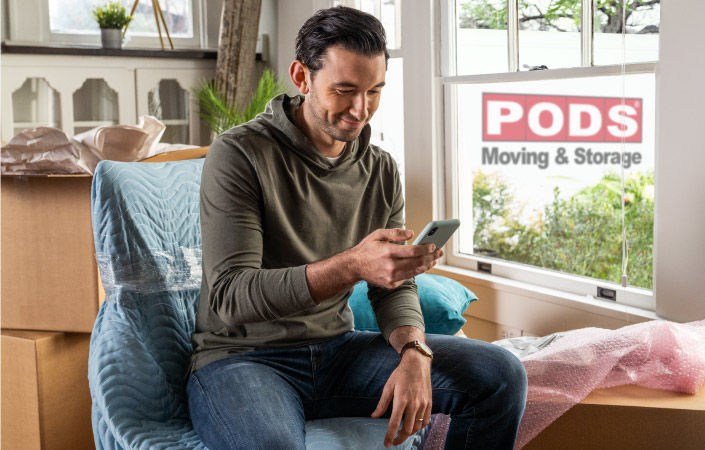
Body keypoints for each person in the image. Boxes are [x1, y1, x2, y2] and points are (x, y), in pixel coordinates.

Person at [187, 6, 527, 450]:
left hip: (337, 352)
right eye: (344, 90)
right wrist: (352, 265)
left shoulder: (380, 168)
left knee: (500, 376)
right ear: (301, 76)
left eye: (374, 91)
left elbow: (393, 285)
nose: (360, 109)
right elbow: (231, 297)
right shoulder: (239, 154)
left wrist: (413, 350)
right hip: (243, 359)